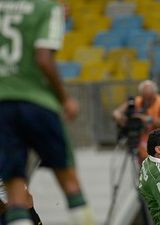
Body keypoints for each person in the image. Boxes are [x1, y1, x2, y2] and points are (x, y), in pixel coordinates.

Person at [0, 0, 94, 224]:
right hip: (37, 102)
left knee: (14, 192)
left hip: (4, 104)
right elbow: (43, 58)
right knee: (69, 181)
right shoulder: (47, 8)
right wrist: (65, 99)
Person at [113, 80, 160, 161]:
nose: (147, 100)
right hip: (141, 138)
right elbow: (117, 112)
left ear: (155, 94)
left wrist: (147, 119)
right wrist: (120, 117)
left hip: (158, 140)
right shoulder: (137, 101)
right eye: (145, 97)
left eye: (150, 97)